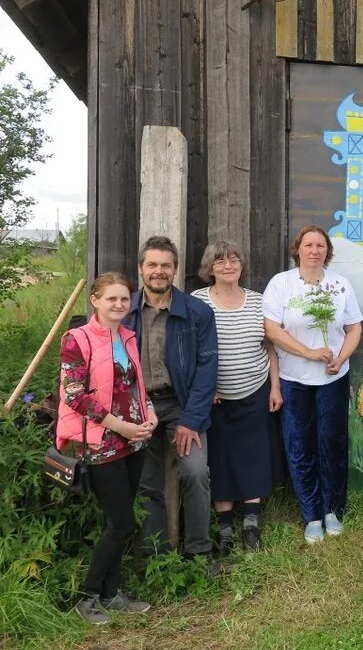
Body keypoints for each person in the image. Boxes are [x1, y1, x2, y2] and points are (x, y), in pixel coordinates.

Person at [57, 273, 156, 624]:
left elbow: (134, 386)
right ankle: (86, 598)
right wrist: (119, 425)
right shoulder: (77, 339)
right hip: (99, 443)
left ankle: (112, 594)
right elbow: (73, 394)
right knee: (122, 522)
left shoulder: (128, 336)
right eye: (111, 298)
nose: (118, 304)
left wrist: (150, 414)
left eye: (124, 299)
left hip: (133, 439)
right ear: (95, 300)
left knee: (120, 520)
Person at [263, 225, 363, 544]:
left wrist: (339, 357)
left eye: (321, 245)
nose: (314, 250)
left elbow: (355, 328)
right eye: (308, 244)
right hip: (294, 380)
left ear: (327, 252)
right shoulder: (282, 283)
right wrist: (307, 352)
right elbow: (272, 330)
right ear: (298, 250)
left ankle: (333, 509)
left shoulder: (340, 284)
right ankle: (311, 514)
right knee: (299, 445)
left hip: (332, 378)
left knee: (331, 443)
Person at [124, 236, 218, 561]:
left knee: (195, 472)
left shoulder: (197, 313)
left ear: (175, 270)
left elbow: (208, 369)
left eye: (166, 265)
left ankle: (198, 554)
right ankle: (155, 557)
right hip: (138, 408)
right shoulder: (125, 311)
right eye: (152, 264)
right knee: (146, 483)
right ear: (141, 269)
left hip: (182, 405)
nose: (159, 271)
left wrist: (191, 420)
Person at [192, 241, 283, 553]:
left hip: (255, 390)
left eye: (233, 260)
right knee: (221, 458)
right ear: (210, 268)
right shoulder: (198, 302)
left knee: (253, 455)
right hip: (215, 398)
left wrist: (275, 387)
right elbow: (189, 350)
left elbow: (270, 347)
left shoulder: (259, 302)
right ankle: (225, 525)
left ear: (241, 266)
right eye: (220, 262)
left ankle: (251, 522)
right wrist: (206, 387)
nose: (228, 266)